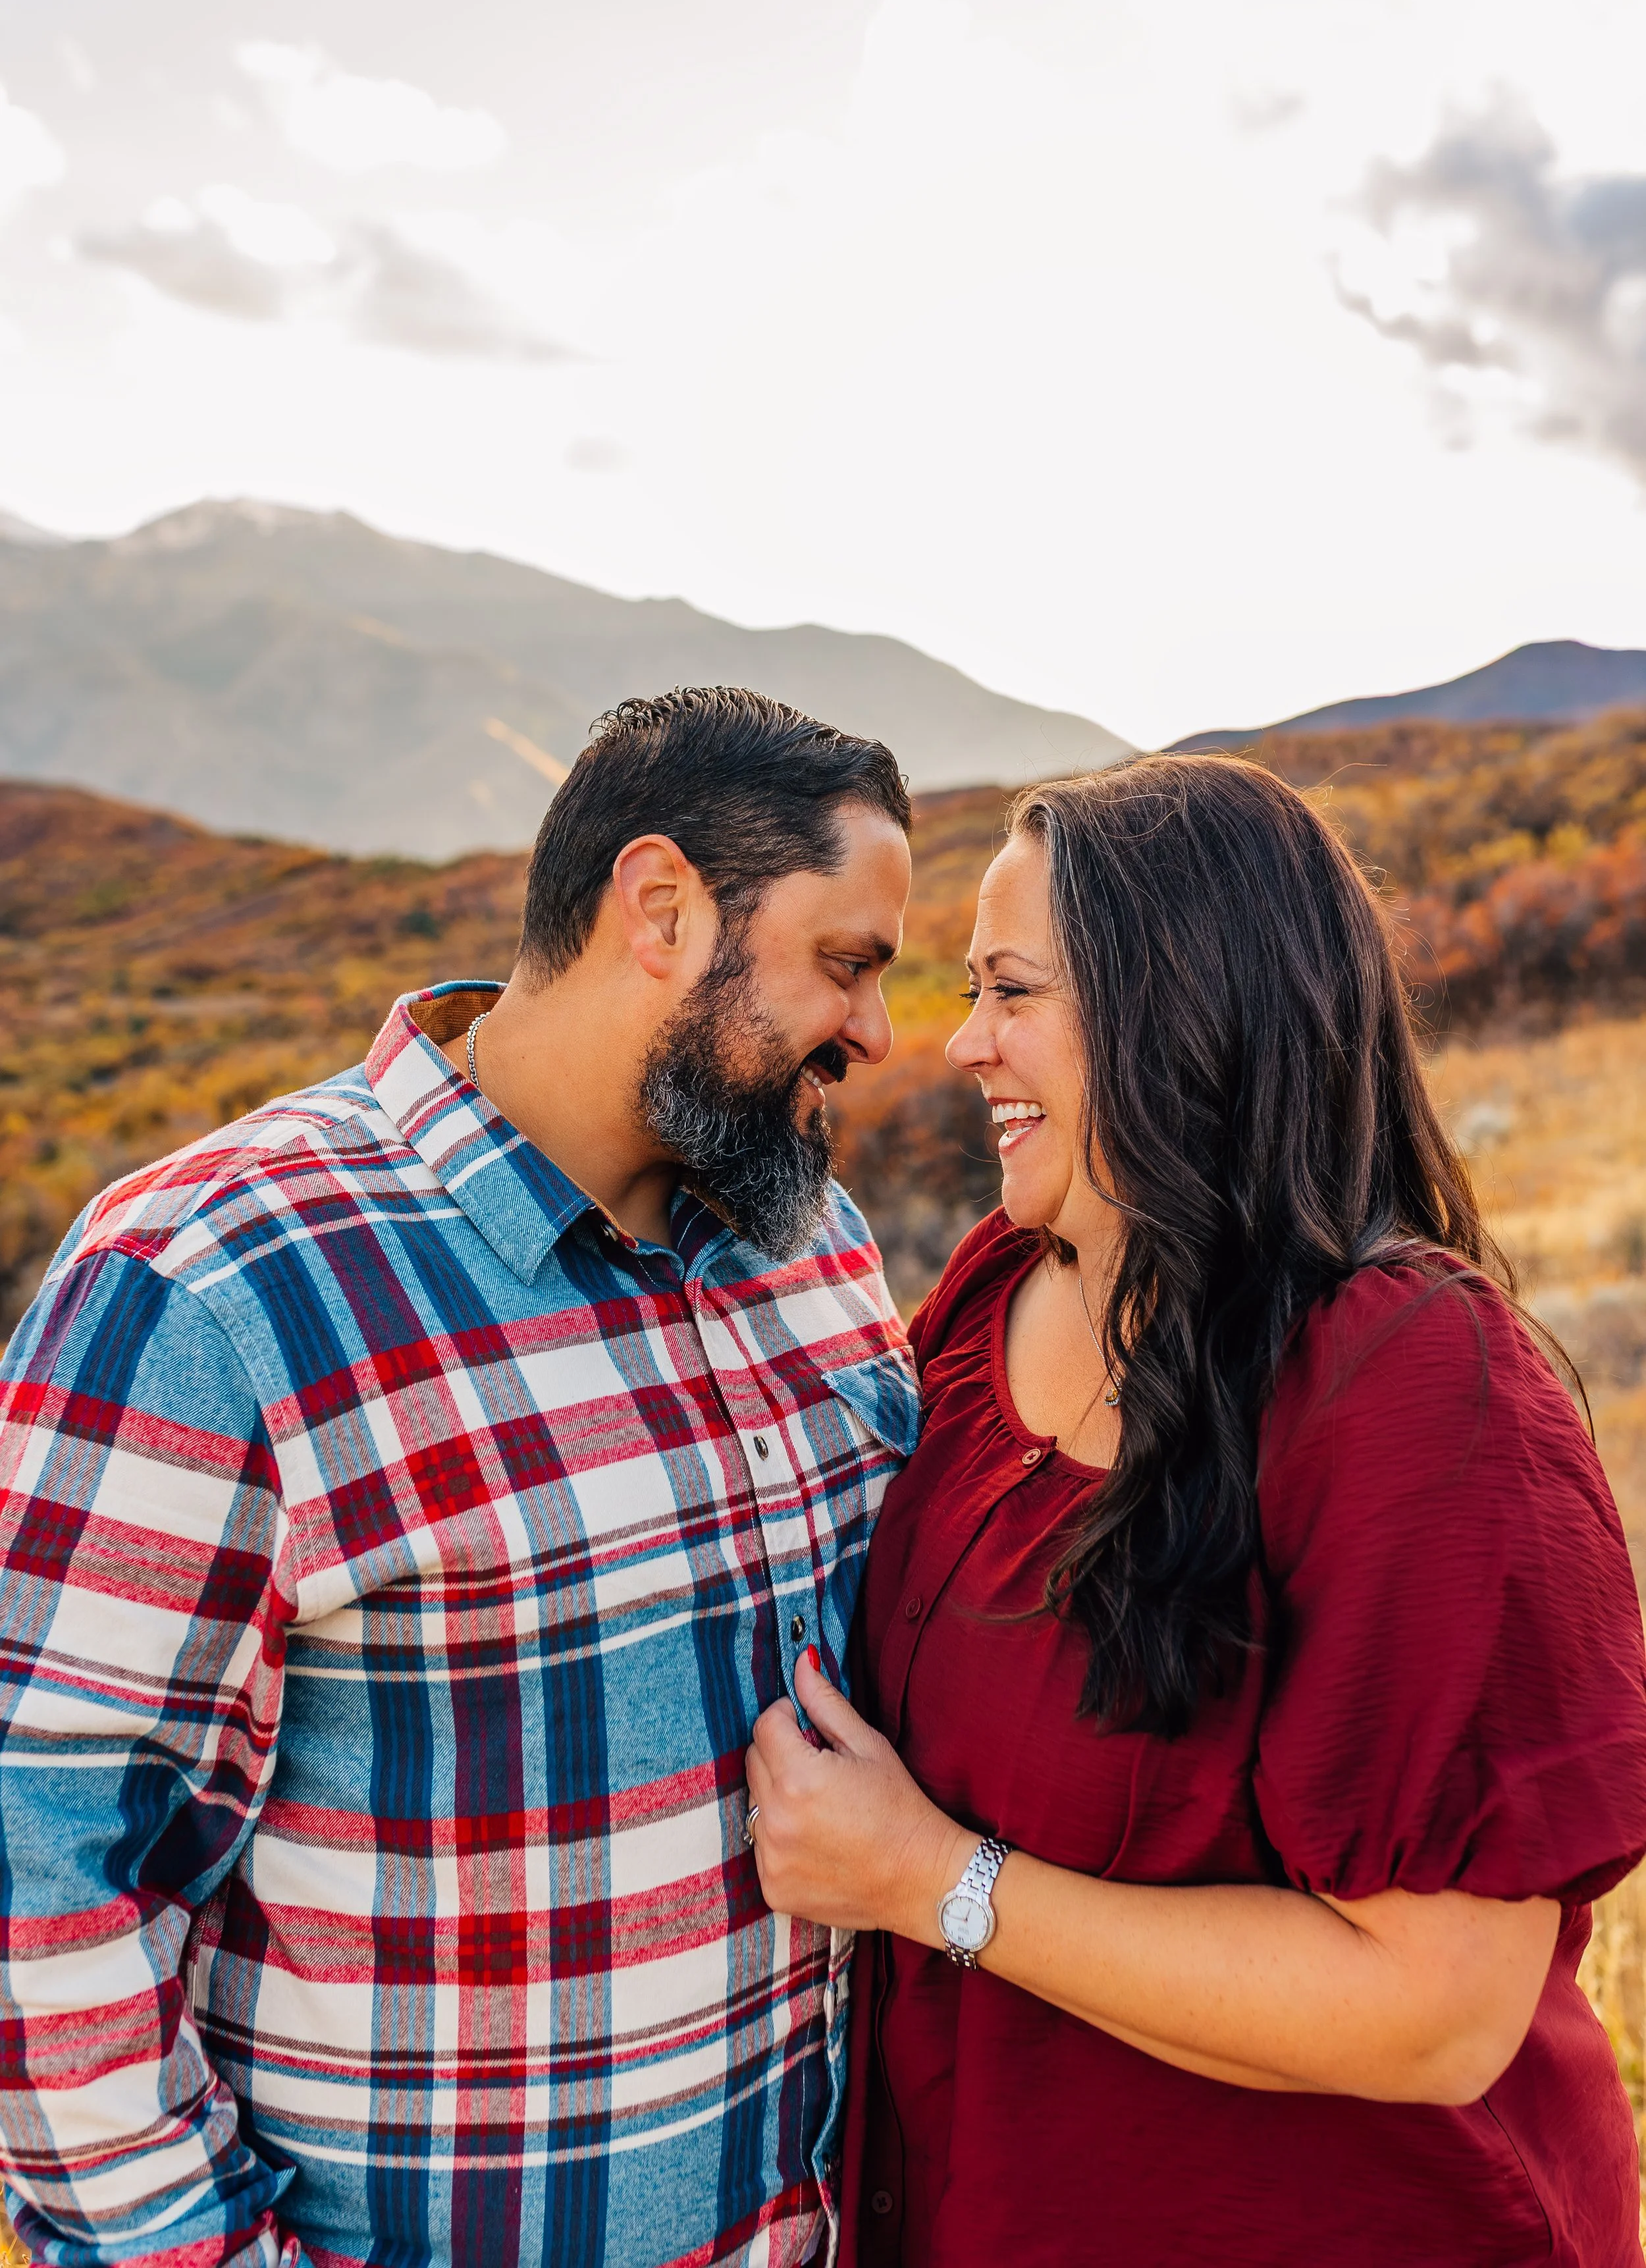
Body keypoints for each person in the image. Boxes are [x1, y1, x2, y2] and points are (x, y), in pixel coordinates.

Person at [0, 687, 920, 2268]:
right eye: (845, 963)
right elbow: (42, 1892)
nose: (877, 1033)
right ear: (662, 909)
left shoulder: (809, 1247)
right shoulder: (211, 1287)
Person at [744, 753, 1646, 2268]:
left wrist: (930, 1883)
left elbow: (1433, 2011)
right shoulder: (988, 1297)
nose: (961, 1044)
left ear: (1177, 1008)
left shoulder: (1415, 1387)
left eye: (1011, 991)